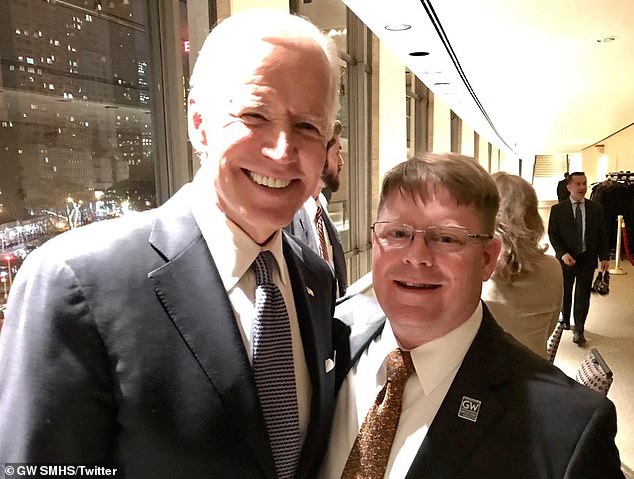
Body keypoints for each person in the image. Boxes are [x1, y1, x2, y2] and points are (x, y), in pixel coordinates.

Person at [0, 10, 343, 479]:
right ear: (198, 122)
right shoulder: (74, 282)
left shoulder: (314, 278)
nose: (283, 149)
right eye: (254, 115)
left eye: (307, 126)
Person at [321, 154, 623, 478]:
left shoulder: (569, 428)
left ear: (487, 259)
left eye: (447, 238)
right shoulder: (330, 332)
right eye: (397, 233)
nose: (416, 257)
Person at [482, 172, 563, 359]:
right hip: (537, 373)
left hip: (485, 379)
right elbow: (550, 328)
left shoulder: (477, 269)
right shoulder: (553, 267)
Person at [285, 120, 347, 297]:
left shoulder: (322, 204)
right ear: (319, 157)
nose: (341, 162)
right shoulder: (287, 218)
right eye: (337, 153)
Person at [548, 171, 610, 345]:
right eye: (578, 184)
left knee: (583, 295)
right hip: (566, 259)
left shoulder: (596, 208)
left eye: (584, 183)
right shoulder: (558, 210)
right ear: (569, 187)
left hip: (587, 258)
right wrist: (562, 253)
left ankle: (580, 329)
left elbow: (602, 234)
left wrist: (604, 256)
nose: (582, 187)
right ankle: (566, 320)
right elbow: (553, 234)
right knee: (565, 291)